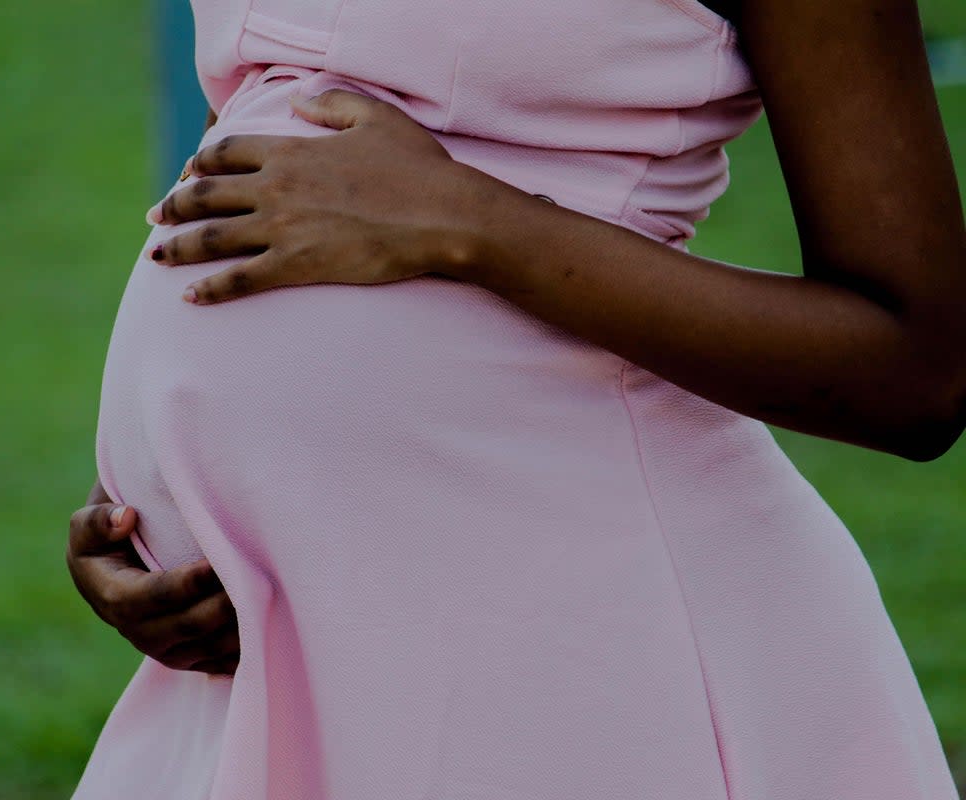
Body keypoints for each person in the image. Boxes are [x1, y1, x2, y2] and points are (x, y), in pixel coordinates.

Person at [67, 0, 966, 797]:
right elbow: (290, 150)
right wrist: (151, 514)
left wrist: (472, 221)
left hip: (577, 646)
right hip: (294, 667)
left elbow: (915, 372)